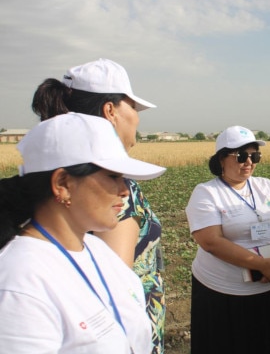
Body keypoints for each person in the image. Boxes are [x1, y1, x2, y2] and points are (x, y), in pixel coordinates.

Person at [31, 58, 166, 353]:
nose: (138, 119)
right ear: (110, 111)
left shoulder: (49, 174)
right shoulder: (112, 193)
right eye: (133, 107)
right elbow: (113, 291)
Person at [0, 113, 166, 353]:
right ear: (63, 184)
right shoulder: (19, 283)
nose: (125, 192)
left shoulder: (98, 250)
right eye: (113, 176)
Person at [185, 125, 270, 353]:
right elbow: (211, 242)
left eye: (254, 155)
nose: (249, 161)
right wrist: (260, 264)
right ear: (221, 159)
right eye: (241, 156)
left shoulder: (266, 186)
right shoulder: (206, 192)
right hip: (224, 293)